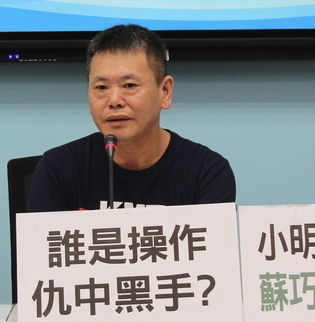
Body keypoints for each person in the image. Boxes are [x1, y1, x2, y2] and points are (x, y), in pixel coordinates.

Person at [29, 23, 235, 211]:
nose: (114, 100)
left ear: (165, 92)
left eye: (129, 85)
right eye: (101, 87)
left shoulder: (207, 172)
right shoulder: (58, 168)